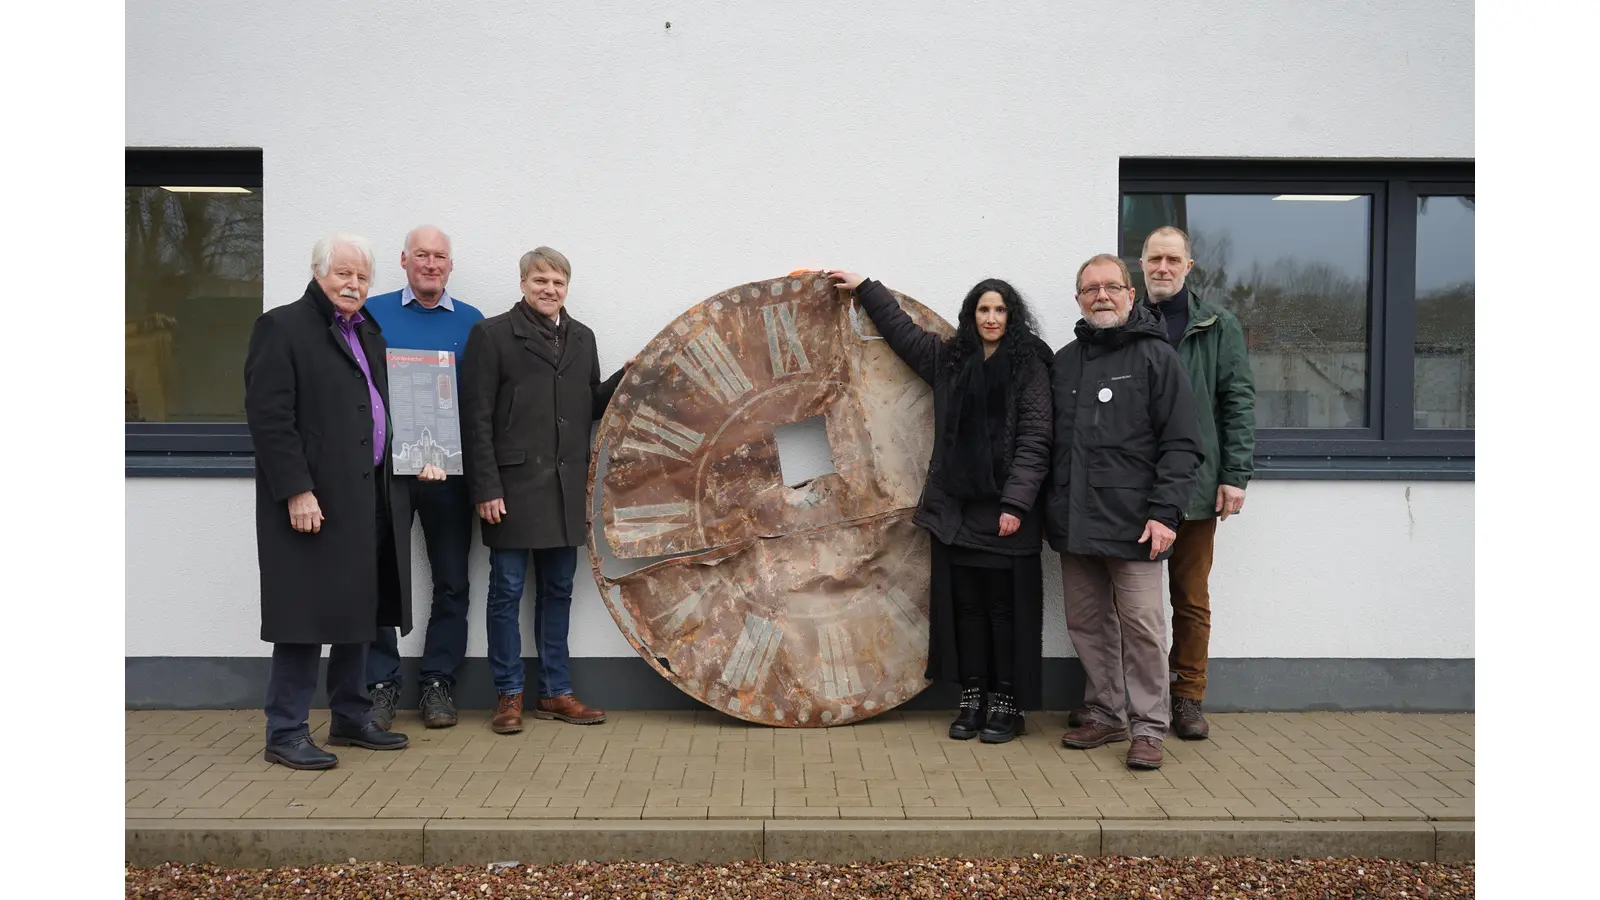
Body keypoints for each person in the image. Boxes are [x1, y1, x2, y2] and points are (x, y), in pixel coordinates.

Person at [824, 269, 1053, 744]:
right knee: (966, 610)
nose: (991, 318)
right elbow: (903, 333)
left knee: (1003, 613)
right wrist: (866, 287)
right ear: (971, 315)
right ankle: (972, 698)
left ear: (1012, 317)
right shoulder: (951, 360)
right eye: (983, 309)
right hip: (957, 514)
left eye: (1000, 310)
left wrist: (1015, 504)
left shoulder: (1030, 363)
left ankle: (1006, 705)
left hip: (1007, 515)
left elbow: (1035, 440)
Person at [243, 234, 444, 770]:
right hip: (314, 501)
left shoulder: (368, 331)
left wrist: (424, 455)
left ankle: (351, 716)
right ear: (318, 274)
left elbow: (388, 410)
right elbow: (269, 419)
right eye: (343, 274)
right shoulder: (283, 327)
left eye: (362, 277)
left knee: (363, 610)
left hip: (370, 494)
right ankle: (285, 730)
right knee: (303, 615)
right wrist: (296, 490)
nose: (353, 284)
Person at [461, 246, 628, 734]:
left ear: (566, 288)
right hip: (511, 489)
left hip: (564, 488)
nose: (549, 289)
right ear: (522, 284)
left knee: (558, 591)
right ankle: (508, 695)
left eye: (557, 282)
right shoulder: (491, 335)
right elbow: (476, 419)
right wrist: (485, 487)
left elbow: (588, 405)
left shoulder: (583, 337)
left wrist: (627, 377)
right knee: (506, 593)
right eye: (540, 281)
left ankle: (555, 692)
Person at [1047, 253, 1203, 770]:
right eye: (1091, 289)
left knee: (1143, 630)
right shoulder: (1065, 363)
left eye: (1112, 287)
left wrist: (1165, 512)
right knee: (1087, 624)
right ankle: (1106, 713)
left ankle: (1149, 727)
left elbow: (1182, 443)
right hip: (1075, 523)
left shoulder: (1157, 358)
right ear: (1078, 299)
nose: (1102, 296)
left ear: (1130, 295)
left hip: (1137, 525)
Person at [361, 226, 485, 730]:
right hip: (384, 472)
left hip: (447, 472)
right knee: (378, 576)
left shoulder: (472, 322)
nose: (431, 264)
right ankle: (380, 685)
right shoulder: (371, 313)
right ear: (404, 260)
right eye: (421, 255)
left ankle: (438, 682)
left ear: (450, 265)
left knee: (452, 580)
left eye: (439, 256)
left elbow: (479, 401)